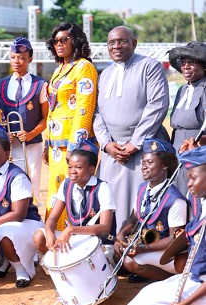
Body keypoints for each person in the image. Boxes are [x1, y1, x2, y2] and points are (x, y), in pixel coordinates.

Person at [94, 26, 170, 231]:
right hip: (112, 152)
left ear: (133, 43)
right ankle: (113, 249)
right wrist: (106, 144)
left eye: (122, 41)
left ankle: (141, 252)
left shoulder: (149, 67)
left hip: (143, 147)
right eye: (112, 42)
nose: (116, 46)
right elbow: (97, 113)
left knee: (142, 201)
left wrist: (135, 143)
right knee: (109, 202)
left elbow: (157, 105)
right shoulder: (105, 74)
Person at [128, 145, 206, 305]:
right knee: (147, 293)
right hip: (194, 277)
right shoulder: (202, 204)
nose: (189, 184)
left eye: (193, 178)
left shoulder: (175, 198)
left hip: (200, 288)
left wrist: (184, 303)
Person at [43, 22, 98, 230]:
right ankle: (54, 236)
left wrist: (76, 147)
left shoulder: (84, 68)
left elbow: (84, 108)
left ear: (76, 41)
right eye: (55, 41)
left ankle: (72, 238)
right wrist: (47, 144)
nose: (59, 44)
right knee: (56, 192)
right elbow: (53, 110)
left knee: (73, 193)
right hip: (56, 146)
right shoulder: (59, 70)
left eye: (64, 40)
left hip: (72, 147)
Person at [113, 139, 187, 283]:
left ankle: (172, 280)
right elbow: (133, 218)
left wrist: (141, 249)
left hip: (169, 252)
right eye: (143, 162)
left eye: (150, 162)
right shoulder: (142, 188)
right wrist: (120, 235)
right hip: (147, 246)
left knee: (128, 261)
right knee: (117, 255)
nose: (144, 167)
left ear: (165, 165)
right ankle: (149, 272)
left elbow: (174, 239)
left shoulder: (175, 200)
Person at [33, 139, 116, 263]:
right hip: (75, 238)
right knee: (40, 236)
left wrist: (72, 230)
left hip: (98, 242)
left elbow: (105, 228)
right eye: (70, 167)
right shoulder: (67, 184)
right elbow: (52, 218)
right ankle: (56, 267)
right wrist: (50, 233)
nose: (72, 171)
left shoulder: (102, 188)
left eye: (78, 167)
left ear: (91, 169)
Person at [0, 126, 44, 288]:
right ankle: (5, 260)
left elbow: (19, 214)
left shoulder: (17, 176)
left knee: (3, 231)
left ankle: (21, 269)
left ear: (7, 154)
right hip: (0, 223)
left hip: (26, 224)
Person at [0, 37, 48, 204]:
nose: (16, 61)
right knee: (7, 183)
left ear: (30, 59)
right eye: (13, 57)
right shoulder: (1, 85)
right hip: (7, 148)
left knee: (32, 182)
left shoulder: (40, 85)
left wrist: (31, 134)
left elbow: (47, 118)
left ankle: (32, 220)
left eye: (21, 58)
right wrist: (3, 135)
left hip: (32, 147)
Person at [168, 41, 206, 194]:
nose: (186, 66)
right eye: (183, 62)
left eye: (192, 62)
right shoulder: (183, 89)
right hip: (177, 152)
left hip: (196, 153)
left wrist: (197, 144)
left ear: (204, 66)